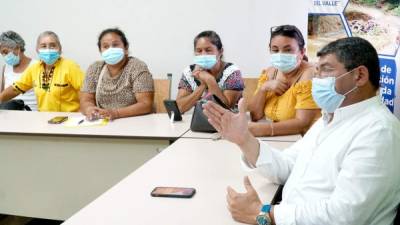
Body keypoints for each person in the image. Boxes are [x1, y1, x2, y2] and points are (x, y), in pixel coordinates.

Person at [203, 37, 400, 225]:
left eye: (326, 70)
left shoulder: (379, 131)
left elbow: (346, 215)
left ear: (360, 75)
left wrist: (265, 214)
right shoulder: (330, 119)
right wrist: (244, 139)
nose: (316, 78)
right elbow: (288, 166)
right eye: (316, 70)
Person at [247, 25, 320, 137]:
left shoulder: (310, 75)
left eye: (288, 50)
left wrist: (264, 129)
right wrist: (263, 88)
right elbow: (255, 115)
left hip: (304, 141)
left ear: (302, 52)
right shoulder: (270, 72)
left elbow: (303, 123)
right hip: (278, 139)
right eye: (275, 50)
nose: (280, 55)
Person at [80, 28, 154, 120]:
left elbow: (146, 104)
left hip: (134, 121)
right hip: (104, 122)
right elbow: (86, 99)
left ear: (126, 48)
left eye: (115, 45)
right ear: (100, 51)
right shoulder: (94, 68)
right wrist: (89, 109)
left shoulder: (137, 67)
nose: (111, 49)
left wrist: (116, 113)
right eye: (105, 46)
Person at [0, 31, 84, 112]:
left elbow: (86, 91)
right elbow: (16, 89)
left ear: (60, 48)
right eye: (43, 46)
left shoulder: (70, 66)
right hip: (44, 119)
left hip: (69, 118)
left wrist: (84, 110)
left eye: (53, 45)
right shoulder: (34, 69)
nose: (48, 49)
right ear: (37, 49)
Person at [176, 30, 244, 113]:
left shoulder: (232, 72)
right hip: (201, 122)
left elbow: (226, 108)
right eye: (199, 51)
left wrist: (210, 80)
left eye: (208, 50)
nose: (203, 54)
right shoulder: (189, 72)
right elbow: (179, 108)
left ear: (220, 51)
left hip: (230, 123)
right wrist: (203, 85)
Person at [0, 31, 37, 110]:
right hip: (8, 112)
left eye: (5, 52)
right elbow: (2, 95)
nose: (4, 56)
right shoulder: (6, 68)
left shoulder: (36, 66)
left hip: (32, 113)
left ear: (17, 48)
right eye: (2, 53)